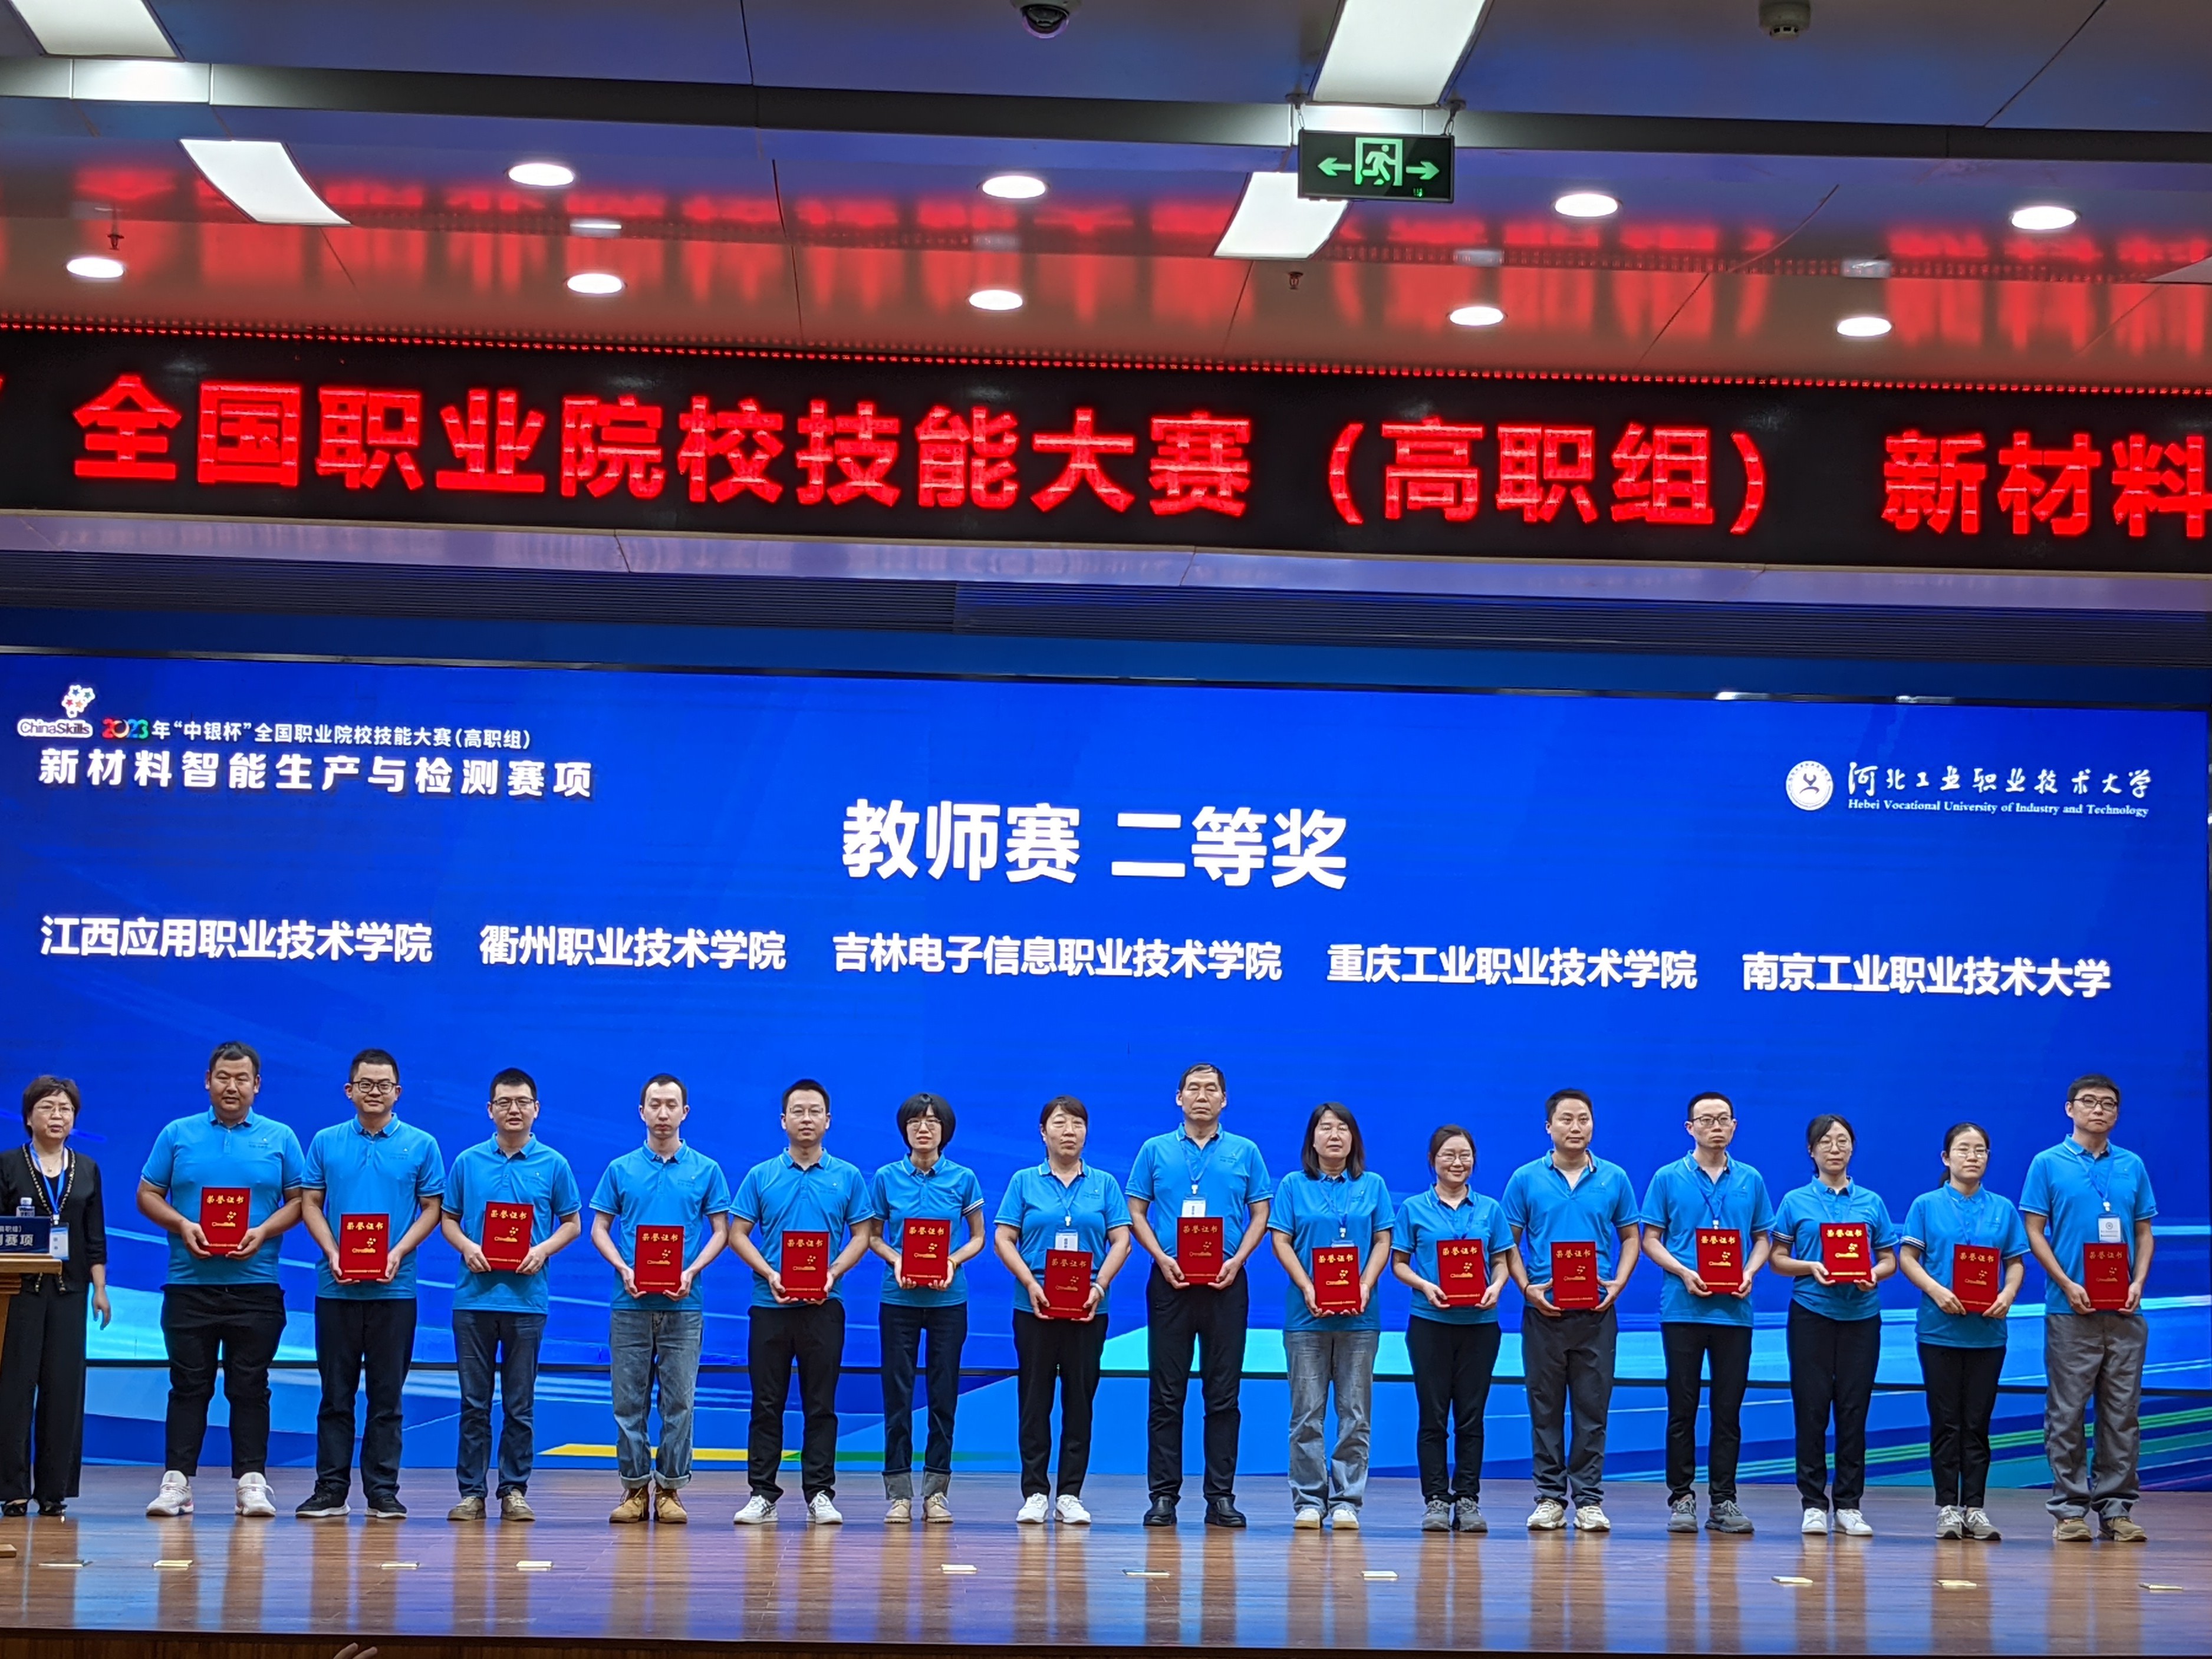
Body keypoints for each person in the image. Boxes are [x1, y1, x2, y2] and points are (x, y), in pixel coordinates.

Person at [137, 1040, 307, 1520]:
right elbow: (148, 1193)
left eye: (242, 1079)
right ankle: (177, 1483)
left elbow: (301, 1201)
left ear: (257, 1085)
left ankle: (252, 1482)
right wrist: (182, 1224)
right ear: (208, 1081)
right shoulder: (178, 1134)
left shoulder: (280, 1137)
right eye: (223, 1078)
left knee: (250, 1386)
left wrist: (263, 1231)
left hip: (256, 1285)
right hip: (189, 1283)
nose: (232, 1087)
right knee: (187, 1386)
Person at [295, 1049, 446, 1522]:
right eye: (366, 1084)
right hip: (336, 1287)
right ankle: (330, 1489)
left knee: (387, 1396)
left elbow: (432, 1209)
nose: (374, 1092)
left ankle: (382, 1490)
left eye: (383, 1085)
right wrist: (333, 1252)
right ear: (350, 1090)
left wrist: (398, 1252)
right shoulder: (326, 1141)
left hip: (394, 1290)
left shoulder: (421, 1144)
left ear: (397, 1092)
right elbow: (310, 1203)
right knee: (334, 1395)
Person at [1125, 1061, 1273, 1529]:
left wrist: (1238, 1260)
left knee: (1223, 1395)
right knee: (1166, 1394)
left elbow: (1261, 1212)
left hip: (1226, 1282)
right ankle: (1163, 1496)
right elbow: (1135, 1209)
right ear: (1179, 1098)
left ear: (1224, 1100)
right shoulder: (1155, 1150)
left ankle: (1221, 1496)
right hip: (1170, 1282)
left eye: (1211, 1089)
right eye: (1194, 1088)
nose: (1202, 1096)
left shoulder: (1245, 1151)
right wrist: (1160, 1257)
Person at [729, 1078, 877, 1528]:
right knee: (766, 1403)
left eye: (815, 1112)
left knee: (821, 1404)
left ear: (828, 1120)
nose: (806, 1119)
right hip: (770, 1305)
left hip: (824, 1306)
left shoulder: (847, 1176)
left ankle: (820, 1493)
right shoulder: (761, 1176)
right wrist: (770, 1273)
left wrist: (833, 1272)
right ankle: (762, 1493)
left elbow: (863, 1234)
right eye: (798, 1111)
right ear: (783, 1121)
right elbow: (738, 1233)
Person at [439, 1066, 582, 1523]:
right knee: (474, 1405)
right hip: (474, 1300)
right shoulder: (468, 1162)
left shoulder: (554, 1165)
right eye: (504, 1102)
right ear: (490, 1110)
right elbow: (448, 1220)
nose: (514, 1110)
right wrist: (467, 1247)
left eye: (522, 1102)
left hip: (526, 1302)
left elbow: (572, 1224)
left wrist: (542, 1250)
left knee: (520, 1406)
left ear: (536, 1109)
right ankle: (471, 1493)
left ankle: (514, 1490)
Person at [590, 1074, 732, 1526]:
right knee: (628, 1402)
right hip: (629, 1304)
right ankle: (634, 1488)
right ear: (642, 1112)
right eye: (655, 1104)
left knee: (679, 1403)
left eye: (672, 1105)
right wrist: (624, 1268)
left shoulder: (706, 1170)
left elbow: (721, 1231)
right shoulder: (621, 1169)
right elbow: (599, 1229)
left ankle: (670, 1488)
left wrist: (691, 1271)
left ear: (685, 1112)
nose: (663, 1113)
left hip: (683, 1307)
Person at [2022, 1073, 2157, 1544]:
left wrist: (2138, 1282)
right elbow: (2034, 1230)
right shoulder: (2047, 1163)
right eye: (2089, 1102)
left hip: (2124, 1311)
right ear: (2070, 1109)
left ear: (2117, 1113)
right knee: (2067, 1413)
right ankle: (2069, 1510)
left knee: (2122, 1414)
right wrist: (2065, 1282)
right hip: (2070, 1309)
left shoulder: (2132, 1165)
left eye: (2108, 1104)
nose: (2099, 1110)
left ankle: (2117, 1509)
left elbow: (2143, 1232)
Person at [1502, 1088, 1641, 1533]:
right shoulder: (1526, 1178)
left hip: (1597, 1311)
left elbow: (1632, 1237)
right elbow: (1508, 1243)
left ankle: (1589, 1501)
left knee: (1592, 1409)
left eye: (1583, 1119)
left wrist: (1618, 1282)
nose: (1575, 1127)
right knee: (1544, 1408)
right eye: (1566, 1119)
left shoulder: (1614, 1178)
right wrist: (1527, 1289)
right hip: (1545, 1312)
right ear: (1549, 1127)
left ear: (1593, 1125)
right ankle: (1549, 1498)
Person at [1638, 1090, 1773, 1537]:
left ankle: (1723, 1500)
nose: (1716, 1126)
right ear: (1690, 1127)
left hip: (1734, 1311)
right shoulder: (1667, 1178)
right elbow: (1651, 1238)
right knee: (1682, 1408)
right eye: (1706, 1120)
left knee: (1727, 1411)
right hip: (1683, 1309)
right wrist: (1683, 1271)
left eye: (1723, 1119)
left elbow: (1763, 1238)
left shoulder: (1751, 1179)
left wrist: (1750, 1272)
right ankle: (1681, 1498)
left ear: (1734, 1126)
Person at [992, 1095, 1132, 1526]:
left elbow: (1121, 1240)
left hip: (1089, 1308)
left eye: (1077, 1124)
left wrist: (1099, 1285)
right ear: (1043, 1132)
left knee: (1079, 1401)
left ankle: (1070, 1493)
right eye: (1059, 1123)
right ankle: (1035, 1491)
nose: (1069, 1131)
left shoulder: (1104, 1184)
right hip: (1034, 1307)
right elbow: (1003, 1238)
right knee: (1034, 1400)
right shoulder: (1024, 1182)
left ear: (1086, 1132)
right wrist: (1031, 1284)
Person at [1769, 1112, 1898, 1539]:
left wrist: (1874, 1274)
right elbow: (1777, 1259)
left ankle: (1848, 1504)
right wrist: (1811, 1267)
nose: (1835, 1148)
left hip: (1862, 1317)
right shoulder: (1795, 1201)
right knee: (1811, 1408)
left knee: (1853, 1409)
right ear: (1811, 1151)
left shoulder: (1872, 1202)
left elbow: (1889, 1259)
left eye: (1842, 1141)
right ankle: (1812, 1503)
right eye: (1825, 1142)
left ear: (1853, 1148)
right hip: (1812, 1313)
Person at [1898, 1121, 2029, 1541]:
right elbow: (1907, 1258)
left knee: (1977, 1423)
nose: (1972, 1157)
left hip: (1987, 1333)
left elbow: (2015, 1262)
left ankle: (1975, 1507)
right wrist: (1936, 1291)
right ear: (1946, 1157)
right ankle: (1947, 1507)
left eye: (1980, 1150)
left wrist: (2008, 1294)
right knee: (1946, 1422)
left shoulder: (2003, 1209)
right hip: (1939, 1331)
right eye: (1963, 1149)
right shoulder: (1926, 1205)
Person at [1268, 1101, 1392, 1531]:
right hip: (1307, 1318)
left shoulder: (1373, 1185)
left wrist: (1364, 1284)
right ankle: (1308, 1500)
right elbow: (1281, 1240)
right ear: (1313, 1139)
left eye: (1343, 1128)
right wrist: (1307, 1285)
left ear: (1354, 1138)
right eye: (1325, 1128)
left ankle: (1346, 1500)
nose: (1334, 1135)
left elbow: (1383, 1240)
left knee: (1355, 1412)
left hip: (1359, 1318)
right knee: (1307, 1412)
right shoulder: (1292, 1185)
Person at [867, 1091, 985, 1525]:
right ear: (905, 1129)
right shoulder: (886, 1178)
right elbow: (873, 1235)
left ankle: (936, 1493)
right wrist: (896, 1260)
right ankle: (899, 1494)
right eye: (916, 1121)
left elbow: (978, 1237)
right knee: (897, 1396)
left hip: (948, 1301)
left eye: (933, 1122)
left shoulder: (963, 1179)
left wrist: (952, 1261)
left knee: (943, 1394)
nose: (924, 1128)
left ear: (945, 1130)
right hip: (898, 1299)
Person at [1390, 1124, 1513, 1535]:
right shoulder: (1413, 1208)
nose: (1458, 1163)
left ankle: (1468, 1499)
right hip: (1430, 1324)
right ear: (1433, 1161)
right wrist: (1425, 1285)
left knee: (1471, 1418)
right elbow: (1399, 1263)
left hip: (1480, 1326)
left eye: (1465, 1155)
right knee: (1433, 1416)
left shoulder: (1490, 1209)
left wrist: (1496, 1287)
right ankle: (1436, 1501)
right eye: (1449, 1155)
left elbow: (1501, 1262)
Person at [0, 1077, 110, 1517]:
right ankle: (12, 1489)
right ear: (29, 1117)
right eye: (47, 1107)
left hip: (70, 1291)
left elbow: (94, 1236)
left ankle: (53, 1491)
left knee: (64, 1390)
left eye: (65, 1109)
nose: (57, 1116)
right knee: (14, 1389)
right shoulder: (8, 1165)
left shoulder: (87, 1168)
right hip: (18, 1293)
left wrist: (100, 1289)